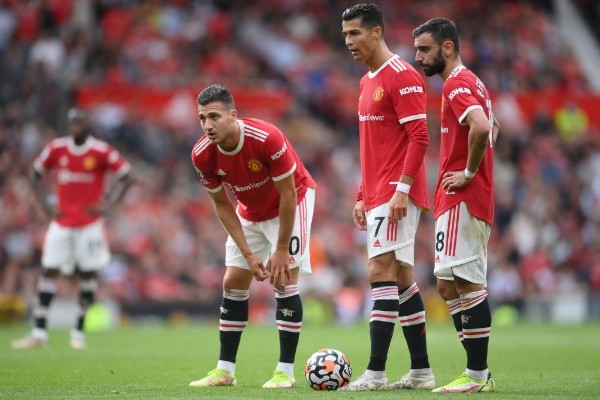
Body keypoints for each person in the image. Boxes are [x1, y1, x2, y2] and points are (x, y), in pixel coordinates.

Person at [188, 84, 317, 389]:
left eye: (214, 117)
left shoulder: (266, 138)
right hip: (250, 211)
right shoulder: (202, 154)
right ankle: (224, 370)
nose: (207, 125)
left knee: (283, 278)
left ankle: (285, 371)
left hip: (292, 201)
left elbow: (287, 193)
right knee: (233, 281)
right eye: (202, 118)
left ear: (233, 115)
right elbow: (222, 205)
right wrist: (247, 252)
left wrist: (281, 248)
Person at [340, 4, 434, 391]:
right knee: (402, 278)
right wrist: (363, 193)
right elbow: (373, 147)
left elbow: (420, 137)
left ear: (377, 33)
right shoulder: (366, 81)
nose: (348, 42)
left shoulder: (402, 76)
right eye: (345, 35)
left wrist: (402, 189)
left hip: (397, 193)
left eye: (355, 34)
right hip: (379, 192)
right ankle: (421, 372)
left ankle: (375, 373)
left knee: (379, 271)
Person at [413, 17, 500, 393]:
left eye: (425, 49)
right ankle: (477, 369)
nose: (418, 57)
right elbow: (495, 128)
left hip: (463, 197)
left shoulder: (457, 83)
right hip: (459, 197)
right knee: (447, 286)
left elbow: (481, 127)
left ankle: (477, 375)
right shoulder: (474, 82)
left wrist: (468, 171)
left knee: (466, 283)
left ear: (447, 47)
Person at [11, 108, 132, 350]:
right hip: (62, 222)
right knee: (48, 271)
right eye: (72, 122)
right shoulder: (57, 148)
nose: (75, 126)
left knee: (88, 275)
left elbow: (126, 175)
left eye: (80, 122)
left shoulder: (100, 151)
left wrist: (109, 205)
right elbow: (35, 174)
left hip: (89, 225)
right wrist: (45, 204)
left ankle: (78, 332)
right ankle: (39, 333)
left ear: (88, 124)